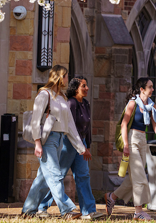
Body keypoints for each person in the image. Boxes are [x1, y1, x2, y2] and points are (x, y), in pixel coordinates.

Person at [21, 65, 87, 219]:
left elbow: (69, 125)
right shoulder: (44, 94)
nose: (67, 79)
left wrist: (80, 147)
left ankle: (28, 210)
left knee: (44, 178)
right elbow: (36, 120)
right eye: (65, 76)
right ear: (59, 76)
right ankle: (67, 209)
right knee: (55, 175)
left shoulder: (62, 97)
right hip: (47, 139)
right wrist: (37, 143)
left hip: (59, 140)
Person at [37, 76, 105, 220]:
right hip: (68, 143)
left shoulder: (85, 104)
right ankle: (41, 207)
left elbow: (88, 127)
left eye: (86, 86)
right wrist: (79, 145)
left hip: (82, 144)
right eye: (83, 86)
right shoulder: (71, 103)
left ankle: (88, 211)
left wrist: (87, 145)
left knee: (83, 176)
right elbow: (70, 128)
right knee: (58, 176)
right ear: (75, 88)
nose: (86, 88)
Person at [104, 77, 156, 221]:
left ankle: (112, 197)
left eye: (153, 87)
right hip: (132, 139)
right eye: (150, 87)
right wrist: (126, 146)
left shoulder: (151, 106)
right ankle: (138, 211)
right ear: (142, 89)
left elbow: (155, 127)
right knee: (140, 176)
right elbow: (123, 125)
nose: (153, 89)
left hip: (143, 140)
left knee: (134, 178)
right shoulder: (132, 103)